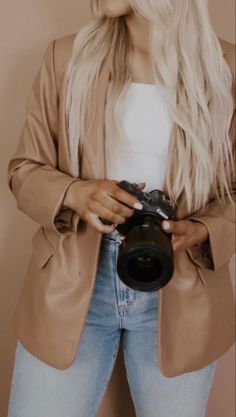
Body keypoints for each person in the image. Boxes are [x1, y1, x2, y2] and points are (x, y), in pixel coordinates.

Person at [7, 1, 235, 417]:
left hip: (181, 285)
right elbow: (24, 170)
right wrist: (74, 193)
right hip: (72, 281)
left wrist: (203, 228)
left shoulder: (225, 68)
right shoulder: (67, 57)